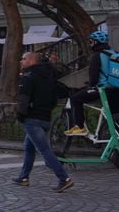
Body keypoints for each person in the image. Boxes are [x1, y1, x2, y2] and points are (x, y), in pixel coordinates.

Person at [14, 51, 75, 192]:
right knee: (29, 146)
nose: (21, 61)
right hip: (45, 117)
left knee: (45, 150)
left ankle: (64, 178)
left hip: (32, 118)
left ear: (30, 61)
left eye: (23, 59)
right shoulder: (48, 76)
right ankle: (24, 177)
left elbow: (23, 99)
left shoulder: (28, 77)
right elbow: (56, 96)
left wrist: (20, 116)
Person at [65, 30, 119, 136]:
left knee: (75, 99)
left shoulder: (97, 56)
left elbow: (94, 77)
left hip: (103, 89)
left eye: (91, 41)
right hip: (117, 88)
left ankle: (80, 127)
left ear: (95, 42)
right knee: (115, 115)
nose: (90, 44)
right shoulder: (115, 53)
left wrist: (89, 85)